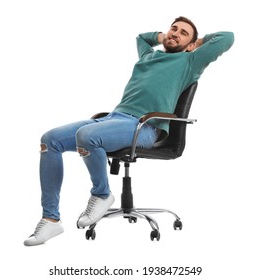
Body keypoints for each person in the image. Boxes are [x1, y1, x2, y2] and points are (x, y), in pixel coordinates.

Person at [24, 16, 234, 246]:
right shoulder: (148, 55)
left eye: (184, 33)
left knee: (86, 137)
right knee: (50, 140)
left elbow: (227, 37)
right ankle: (51, 219)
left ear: (192, 44)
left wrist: (198, 42)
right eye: (173, 29)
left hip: (144, 126)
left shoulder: (191, 62)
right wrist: (162, 37)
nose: (175, 33)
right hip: (115, 117)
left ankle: (102, 194)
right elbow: (141, 38)